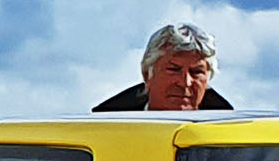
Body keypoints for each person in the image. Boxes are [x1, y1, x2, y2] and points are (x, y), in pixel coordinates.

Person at [93, 23, 232, 112]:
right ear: (147, 74)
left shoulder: (227, 132)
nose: (185, 82)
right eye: (174, 70)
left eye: (196, 72)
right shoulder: (106, 125)